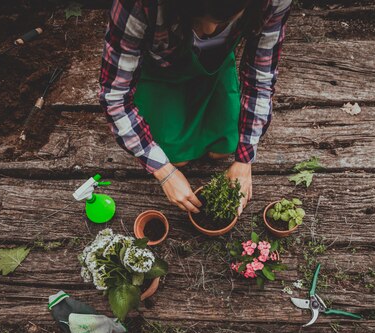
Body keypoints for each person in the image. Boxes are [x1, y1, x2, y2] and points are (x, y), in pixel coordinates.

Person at [99, 0, 292, 215]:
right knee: (178, 160)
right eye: (197, 18)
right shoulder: (139, 5)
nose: (209, 30)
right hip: (162, 74)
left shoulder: (274, 2)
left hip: (213, 69)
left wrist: (245, 160)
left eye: (224, 21)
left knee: (224, 149)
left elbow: (260, 78)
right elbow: (115, 97)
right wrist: (164, 172)